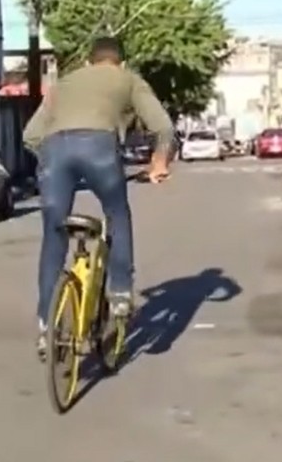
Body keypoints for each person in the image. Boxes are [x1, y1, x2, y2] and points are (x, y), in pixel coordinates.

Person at [22, 35, 175, 356]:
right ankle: (119, 293)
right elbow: (163, 127)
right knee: (116, 212)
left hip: (54, 152)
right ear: (121, 62)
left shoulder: (63, 83)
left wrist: (48, 162)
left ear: (87, 62)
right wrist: (159, 163)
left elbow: (31, 135)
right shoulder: (128, 79)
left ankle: (46, 326)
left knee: (53, 233)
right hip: (99, 149)